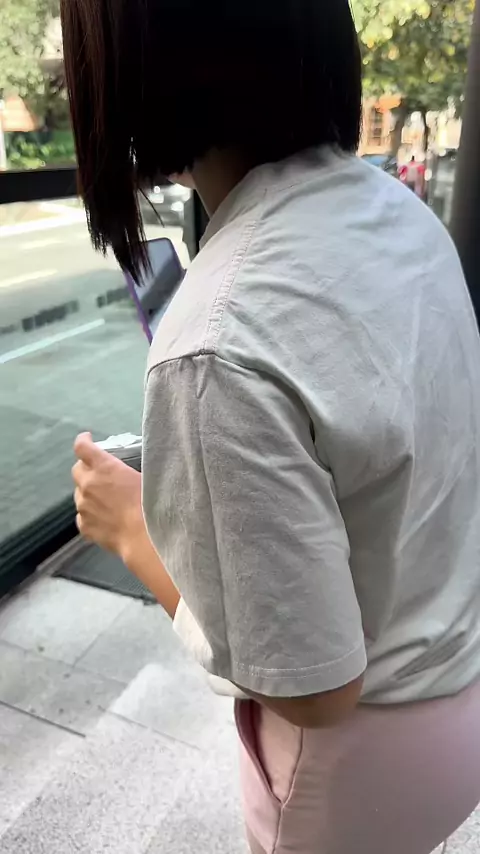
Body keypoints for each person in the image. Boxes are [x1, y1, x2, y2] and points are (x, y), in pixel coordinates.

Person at [65, 1, 480, 852]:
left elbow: (314, 690)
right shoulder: (400, 214)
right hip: (462, 698)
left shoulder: (215, 344)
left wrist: (134, 529)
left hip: (354, 772)